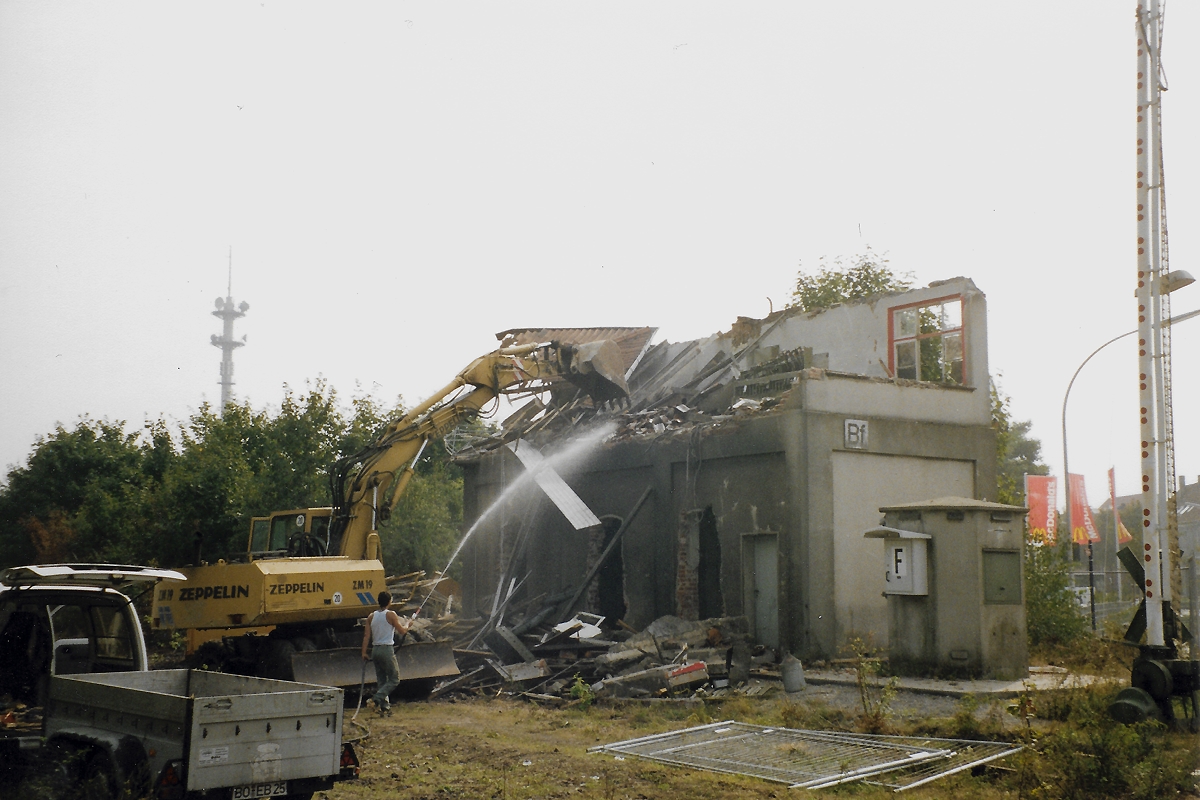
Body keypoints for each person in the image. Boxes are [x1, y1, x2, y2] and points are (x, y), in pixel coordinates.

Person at [360, 591, 411, 714]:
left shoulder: (371, 616)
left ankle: (385, 708)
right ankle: (375, 699)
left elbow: (366, 636)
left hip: (375, 650)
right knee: (394, 679)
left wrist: (364, 653)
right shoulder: (391, 614)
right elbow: (402, 631)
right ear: (389, 601)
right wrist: (409, 623)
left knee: (382, 680)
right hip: (386, 649)